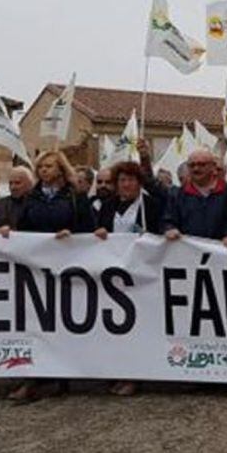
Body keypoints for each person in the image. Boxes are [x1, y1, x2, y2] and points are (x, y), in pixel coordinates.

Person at [0, 151, 95, 404]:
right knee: (39, 322)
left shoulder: (75, 196)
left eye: (49, 166)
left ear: (61, 169)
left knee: (63, 320)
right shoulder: (32, 197)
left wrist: (72, 234)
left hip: (68, 266)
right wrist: (10, 232)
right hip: (38, 268)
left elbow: (89, 228)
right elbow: (23, 227)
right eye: (40, 166)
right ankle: (35, 378)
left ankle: (62, 377)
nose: (43, 170)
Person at [94, 160, 164, 397]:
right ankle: (119, 370)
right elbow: (98, 230)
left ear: (139, 182)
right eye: (122, 180)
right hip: (114, 275)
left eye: (131, 180)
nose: (126, 184)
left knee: (141, 325)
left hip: (143, 275)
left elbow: (160, 233)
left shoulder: (151, 206)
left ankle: (135, 374)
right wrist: (99, 233)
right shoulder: (108, 206)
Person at [162, 149, 227, 240]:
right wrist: (169, 228)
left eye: (202, 164)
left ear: (213, 166)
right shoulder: (177, 196)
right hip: (189, 248)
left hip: (222, 247)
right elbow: (168, 220)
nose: (196, 169)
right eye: (192, 165)